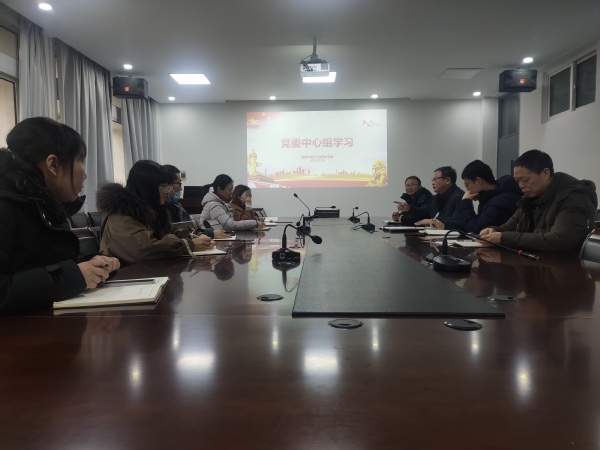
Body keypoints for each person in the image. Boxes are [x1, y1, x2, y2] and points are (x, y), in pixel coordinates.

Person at [0, 117, 120, 314]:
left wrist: (94, 264)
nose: (85, 175)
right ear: (53, 165)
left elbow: (48, 265)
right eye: (80, 160)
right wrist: (75, 275)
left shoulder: (47, 205)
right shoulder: (6, 205)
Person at [96, 160, 214, 266]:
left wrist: (196, 236)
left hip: (148, 272)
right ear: (147, 187)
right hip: (125, 276)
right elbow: (144, 249)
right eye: (163, 186)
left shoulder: (151, 210)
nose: (167, 191)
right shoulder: (120, 213)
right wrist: (189, 245)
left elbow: (170, 232)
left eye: (167, 186)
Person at [479, 149, 597, 252]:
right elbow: (508, 227)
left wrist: (503, 238)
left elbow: (559, 240)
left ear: (546, 173)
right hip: (537, 262)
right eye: (517, 181)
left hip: (566, 266)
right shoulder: (530, 198)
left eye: (525, 180)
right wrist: (493, 230)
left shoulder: (573, 198)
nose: (520, 185)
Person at [430, 160, 522, 233]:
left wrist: (466, 202)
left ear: (478, 181)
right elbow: (473, 222)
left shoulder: (502, 200)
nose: (467, 190)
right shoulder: (489, 197)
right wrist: (445, 224)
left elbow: (476, 229)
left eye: (467, 185)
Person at [398, 166, 464, 226]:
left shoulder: (460, 197)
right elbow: (425, 213)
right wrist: (409, 208)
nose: (432, 183)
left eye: (435, 179)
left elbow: (459, 222)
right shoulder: (436, 198)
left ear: (447, 180)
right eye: (432, 180)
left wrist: (433, 221)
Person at [199, 174, 265, 231]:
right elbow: (229, 225)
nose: (231, 193)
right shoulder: (214, 205)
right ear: (219, 189)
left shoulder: (224, 203)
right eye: (230, 190)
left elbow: (234, 222)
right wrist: (255, 223)